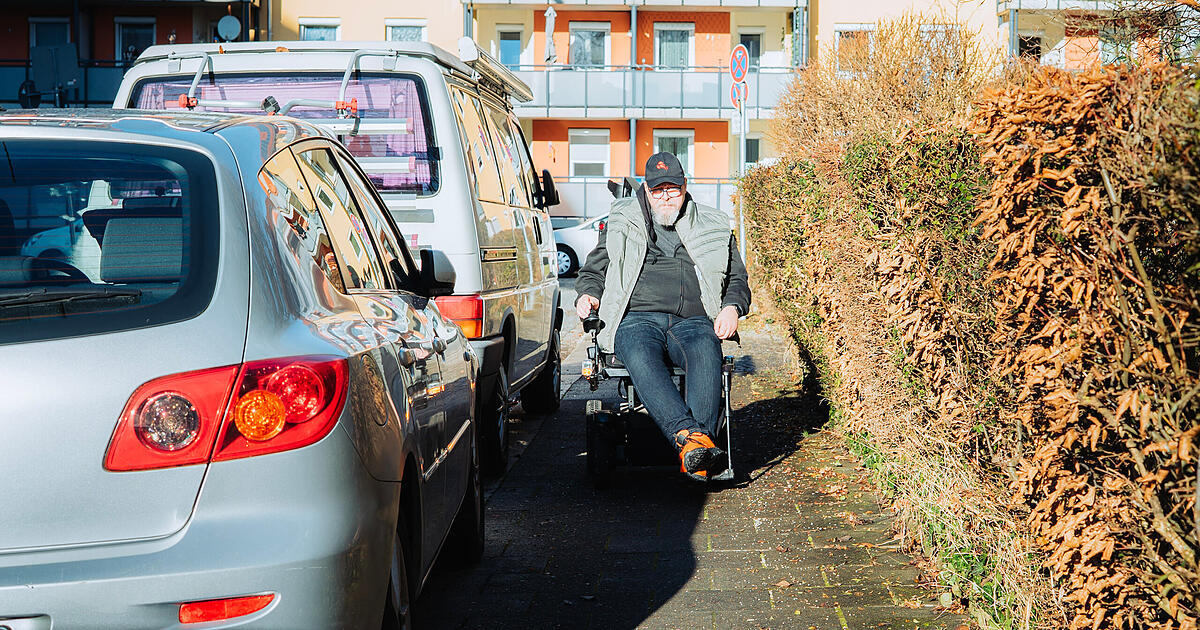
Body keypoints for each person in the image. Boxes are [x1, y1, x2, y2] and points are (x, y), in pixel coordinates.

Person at [575, 152, 750, 481]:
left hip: (694, 320)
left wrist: (731, 307)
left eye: (673, 189)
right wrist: (587, 294)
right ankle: (692, 440)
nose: (666, 196)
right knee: (638, 351)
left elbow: (738, 279)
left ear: (685, 187)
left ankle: (694, 445)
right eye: (658, 190)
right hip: (637, 318)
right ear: (645, 189)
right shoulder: (621, 221)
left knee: (706, 351)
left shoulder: (712, 223)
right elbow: (594, 270)